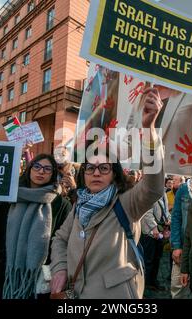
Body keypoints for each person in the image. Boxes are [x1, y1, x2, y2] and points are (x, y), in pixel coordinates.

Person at [50, 87, 164, 299]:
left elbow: (154, 187)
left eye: (104, 168)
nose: (96, 173)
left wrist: (149, 129)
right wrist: (59, 268)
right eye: (90, 168)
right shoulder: (79, 204)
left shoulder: (127, 203)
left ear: (114, 174)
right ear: (83, 174)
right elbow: (59, 239)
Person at [0, 154, 71, 299]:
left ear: (53, 174)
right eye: (37, 167)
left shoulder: (61, 205)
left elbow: (62, 243)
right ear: (29, 169)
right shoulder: (9, 198)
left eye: (47, 168)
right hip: (5, 278)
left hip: (40, 281)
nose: (41, 171)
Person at [140, 195, 170, 291]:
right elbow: (147, 213)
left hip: (160, 230)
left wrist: (169, 219)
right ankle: (145, 286)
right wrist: (154, 228)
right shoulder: (150, 192)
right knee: (149, 260)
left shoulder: (163, 193)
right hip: (150, 232)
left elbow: (166, 210)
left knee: (157, 258)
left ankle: (153, 282)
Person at [170, 179, 192, 299]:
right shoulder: (184, 189)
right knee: (178, 289)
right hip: (183, 249)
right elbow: (176, 217)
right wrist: (176, 246)